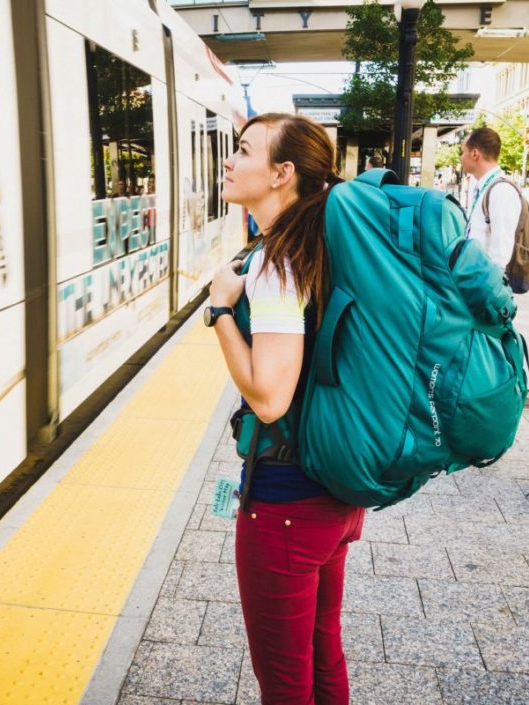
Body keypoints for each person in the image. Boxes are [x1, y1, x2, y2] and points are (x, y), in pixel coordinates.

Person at [207, 112, 365, 704]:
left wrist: (222, 312)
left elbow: (270, 399)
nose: (229, 160)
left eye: (243, 151)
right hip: (334, 498)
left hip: (287, 509)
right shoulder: (321, 244)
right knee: (325, 654)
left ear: (281, 173)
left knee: (285, 683)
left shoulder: (277, 263)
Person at [459, 127, 518, 269]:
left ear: (474, 154)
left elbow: (500, 253)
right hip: (475, 275)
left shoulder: (501, 191)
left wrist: (485, 287)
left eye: (463, 152)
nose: (461, 157)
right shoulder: (483, 186)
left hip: (484, 282)